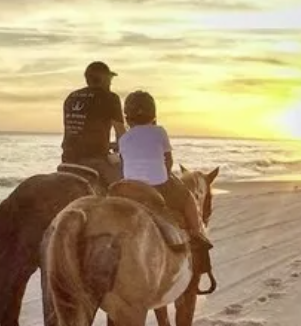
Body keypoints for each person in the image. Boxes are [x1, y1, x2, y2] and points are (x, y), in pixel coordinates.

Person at [118, 90, 214, 274]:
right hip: (158, 185)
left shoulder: (123, 138)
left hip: (130, 188)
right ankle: (196, 233)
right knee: (187, 198)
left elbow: (123, 165)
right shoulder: (160, 131)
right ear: (153, 114)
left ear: (127, 117)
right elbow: (168, 160)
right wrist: (165, 172)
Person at [61, 61, 125, 183]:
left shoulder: (71, 97)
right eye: (109, 78)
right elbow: (121, 133)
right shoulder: (110, 98)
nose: (110, 82)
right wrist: (122, 147)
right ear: (103, 78)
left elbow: (80, 130)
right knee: (123, 185)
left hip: (68, 159)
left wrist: (109, 144)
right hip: (95, 161)